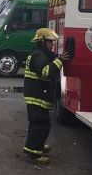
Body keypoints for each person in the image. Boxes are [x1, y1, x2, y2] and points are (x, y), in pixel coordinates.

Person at [23, 28, 69, 165]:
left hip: (37, 95)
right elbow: (46, 72)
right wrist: (59, 61)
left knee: (38, 124)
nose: (52, 45)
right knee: (40, 125)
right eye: (50, 42)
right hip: (36, 96)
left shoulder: (40, 54)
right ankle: (34, 154)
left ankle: (35, 147)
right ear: (42, 41)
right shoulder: (38, 55)